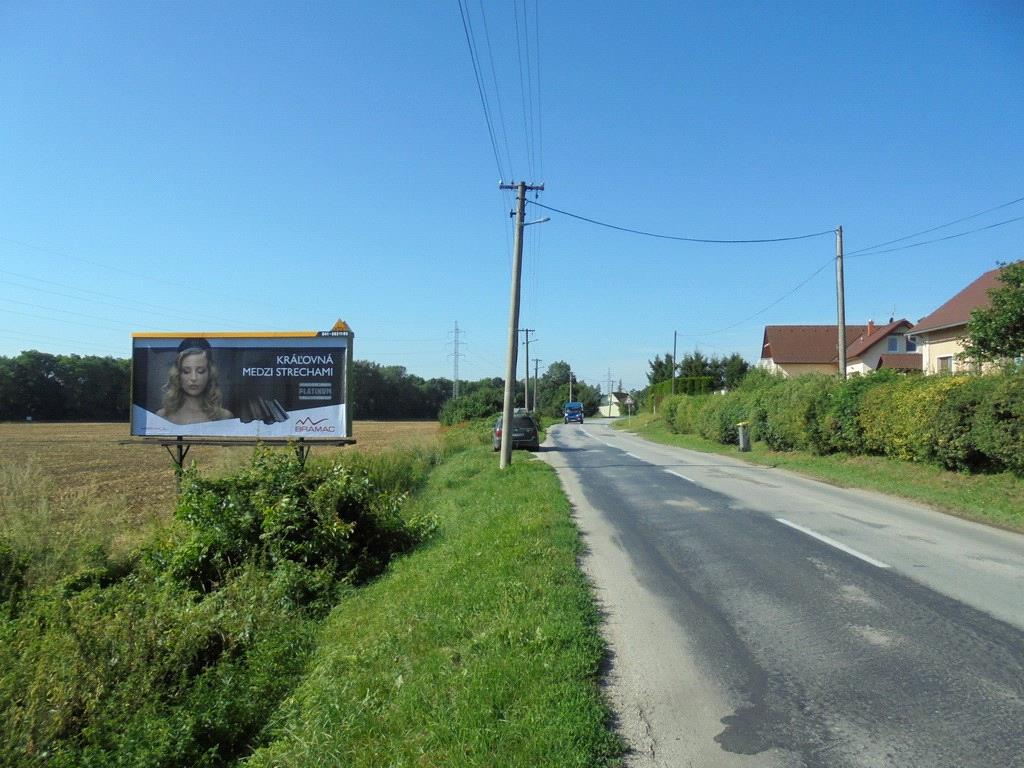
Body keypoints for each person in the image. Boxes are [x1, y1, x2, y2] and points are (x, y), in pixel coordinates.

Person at [156, 338, 234, 424]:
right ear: (178, 374)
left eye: (200, 371)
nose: (193, 378)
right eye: (186, 371)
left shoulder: (224, 417)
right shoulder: (162, 417)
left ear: (210, 373)